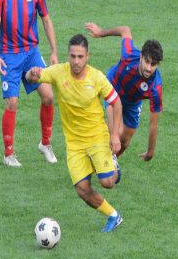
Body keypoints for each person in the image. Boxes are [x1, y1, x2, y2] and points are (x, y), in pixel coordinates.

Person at [26, 34, 124, 233]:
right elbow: (32, 77)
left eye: (80, 56)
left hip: (97, 137)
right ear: (68, 55)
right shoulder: (58, 72)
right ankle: (114, 216)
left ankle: (112, 164)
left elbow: (116, 102)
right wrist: (31, 73)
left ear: (88, 56)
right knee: (82, 189)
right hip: (74, 143)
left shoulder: (97, 78)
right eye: (73, 56)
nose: (76, 61)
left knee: (108, 182)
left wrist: (114, 135)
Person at [0, 0, 58, 167]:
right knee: (12, 102)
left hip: (31, 54)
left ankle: (45, 144)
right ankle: (8, 154)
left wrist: (54, 51)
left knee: (48, 96)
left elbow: (46, 20)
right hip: (9, 56)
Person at [85, 22, 163, 161]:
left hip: (132, 102)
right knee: (117, 132)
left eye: (153, 64)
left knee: (125, 141)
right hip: (113, 88)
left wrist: (151, 151)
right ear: (141, 57)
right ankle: (99, 158)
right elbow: (125, 30)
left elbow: (153, 123)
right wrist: (101, 33)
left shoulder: (155, 88)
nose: (149, 68)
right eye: (147, 61)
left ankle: (107, 163)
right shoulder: (129, 55)